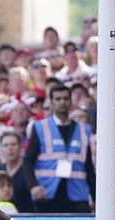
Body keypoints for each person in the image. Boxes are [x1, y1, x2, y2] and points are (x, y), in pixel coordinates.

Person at [23, 82, 95, 213]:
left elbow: (89, 167)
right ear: (51, 102)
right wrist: (33, 186)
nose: (62, 102)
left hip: (77, 195)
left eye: (66, 98)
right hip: (47, 194)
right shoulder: (40, 128)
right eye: (58, 99)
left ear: (71, 101)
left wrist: (96, 198)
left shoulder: (84, 130)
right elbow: (28, 161)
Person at [0, 131, 34, 213]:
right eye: (6, 145)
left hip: (27, 218)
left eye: (13, 144)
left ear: (20, 147)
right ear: (1, 149)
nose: (10, 148)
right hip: (5, 219)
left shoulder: (29, 168)